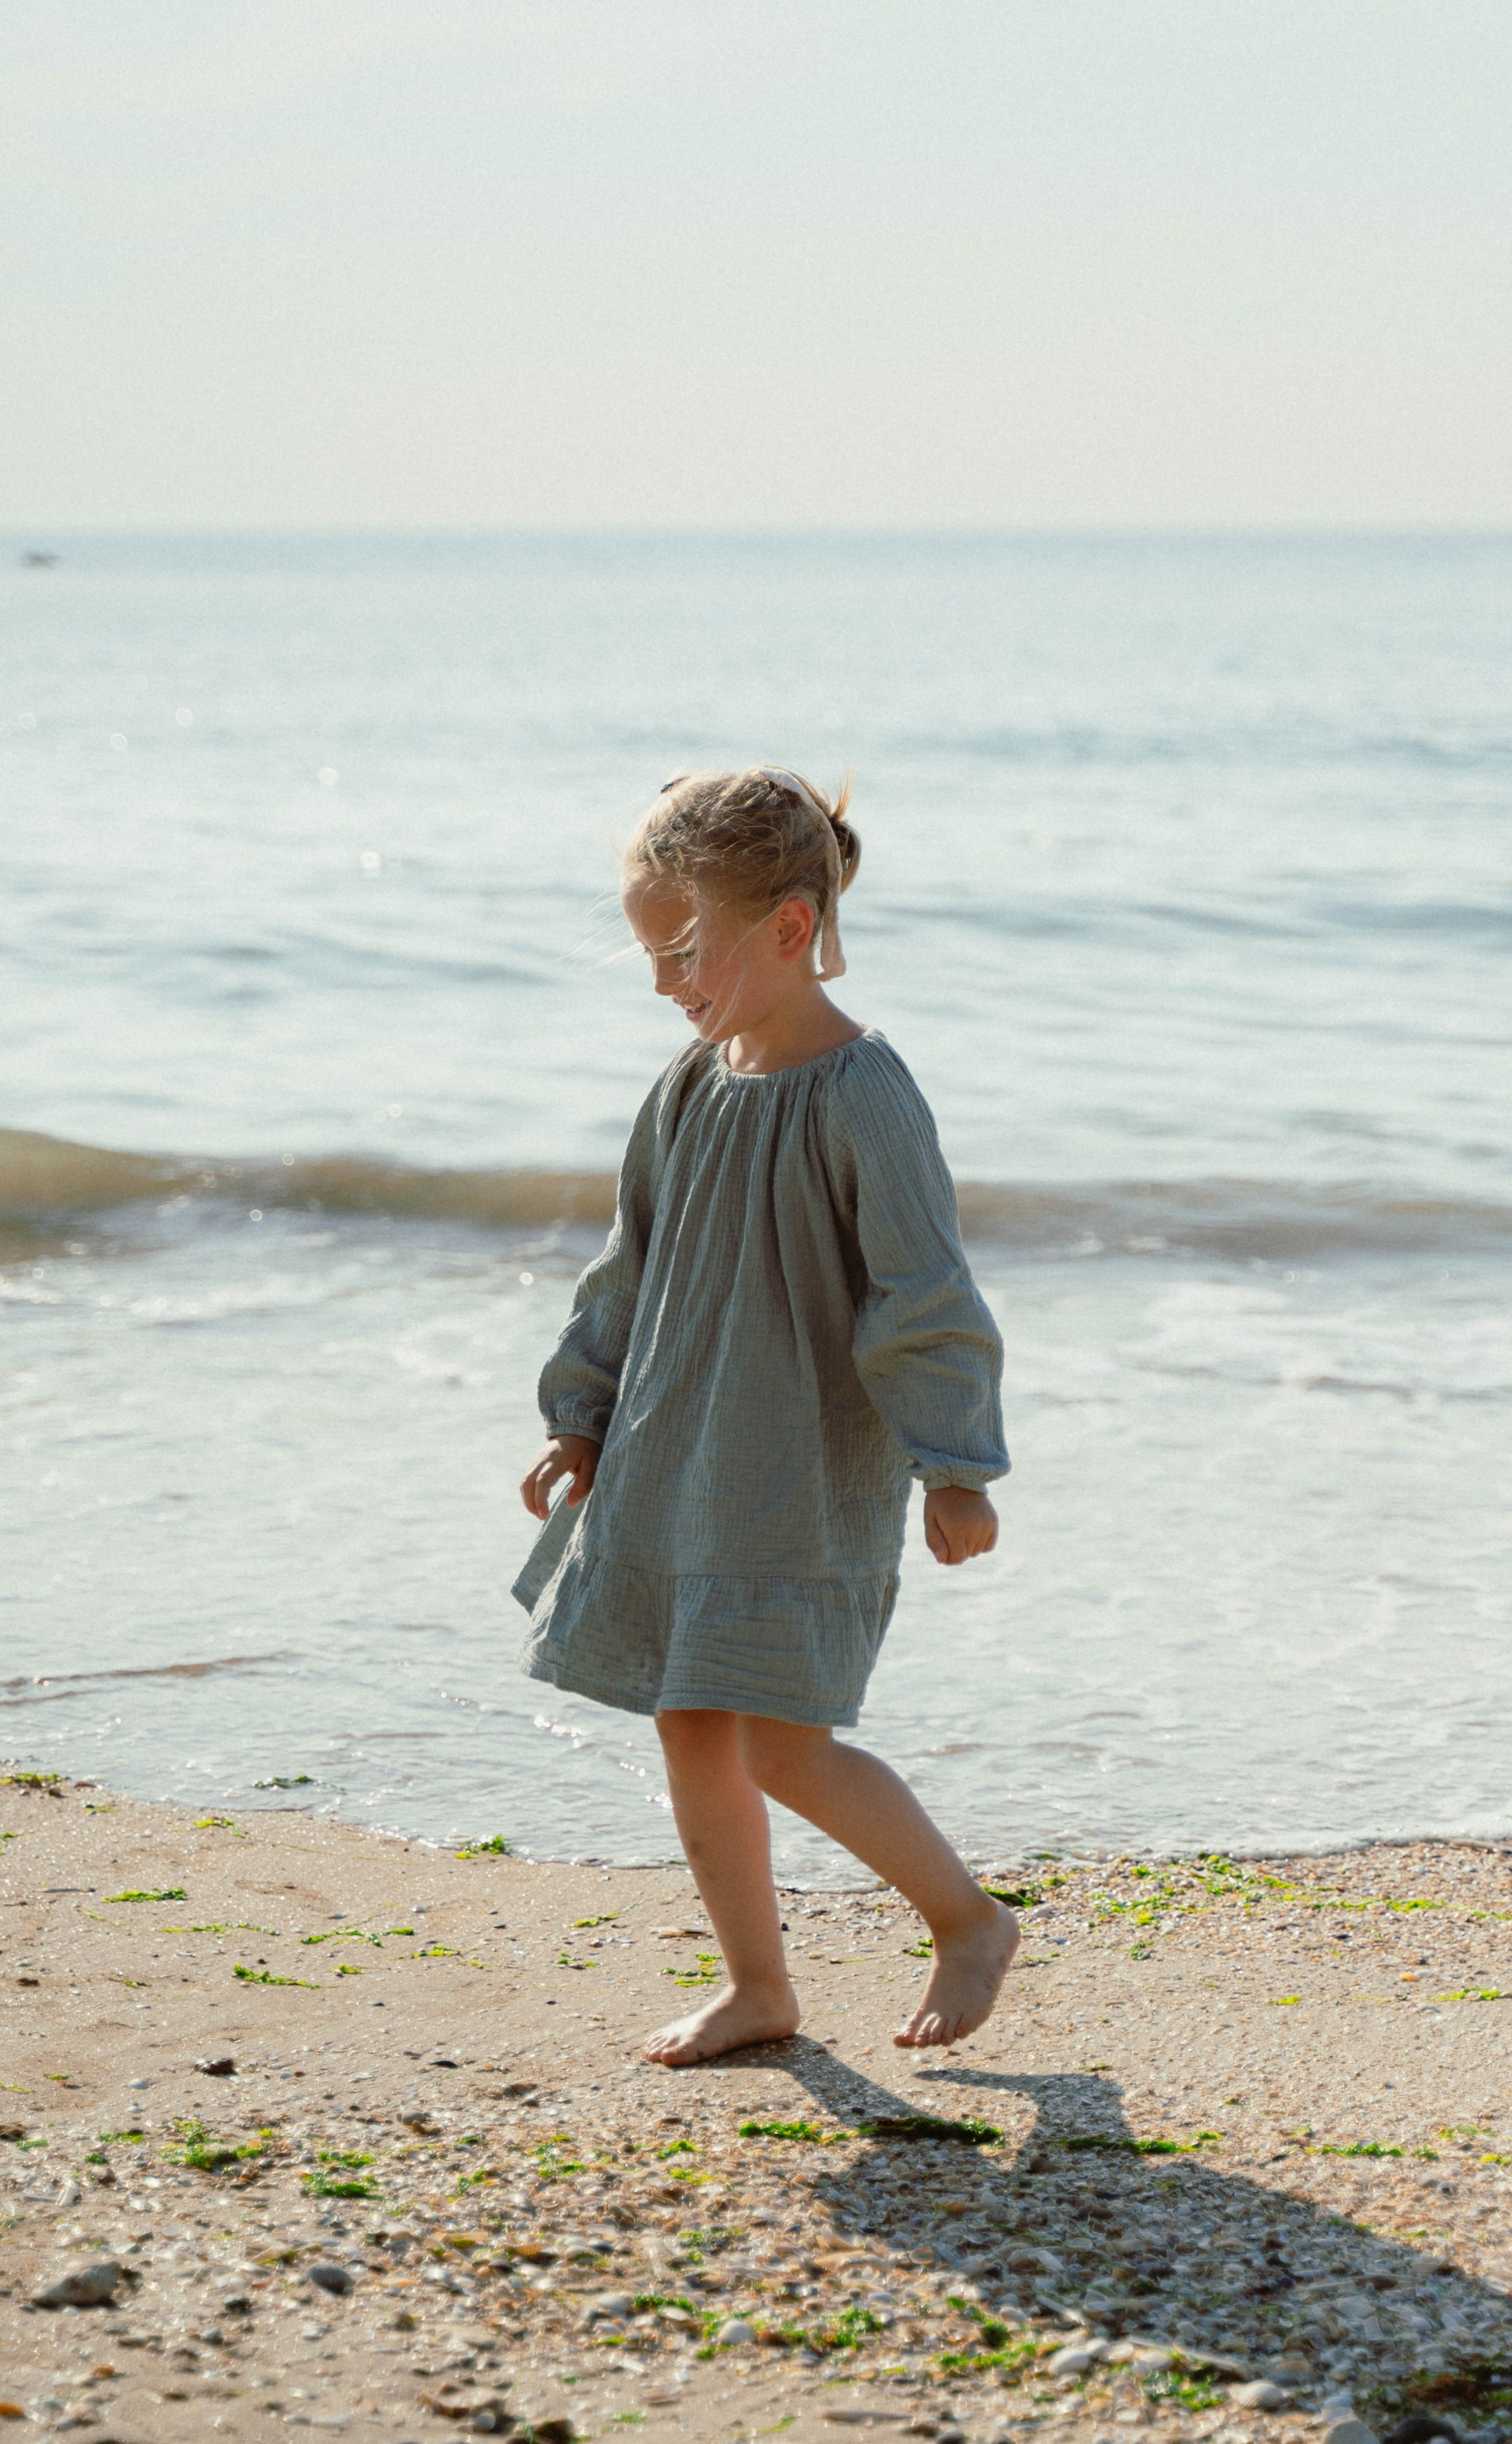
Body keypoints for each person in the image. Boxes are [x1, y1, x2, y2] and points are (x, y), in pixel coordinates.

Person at [514, 766, 1016, 2066]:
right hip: (676, 1453)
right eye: (647, 953)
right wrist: (580, 1413)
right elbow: (629, 1263)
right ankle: (759, 1987)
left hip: (797, 1467)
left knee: (785, 1743)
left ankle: (965, 1919)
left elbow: (923, 1292)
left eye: (682, 949)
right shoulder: (690, 1087)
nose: (664, 982)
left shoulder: (865, 1096)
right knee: (690, 1723)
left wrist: (954, 1465)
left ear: (788, 928)